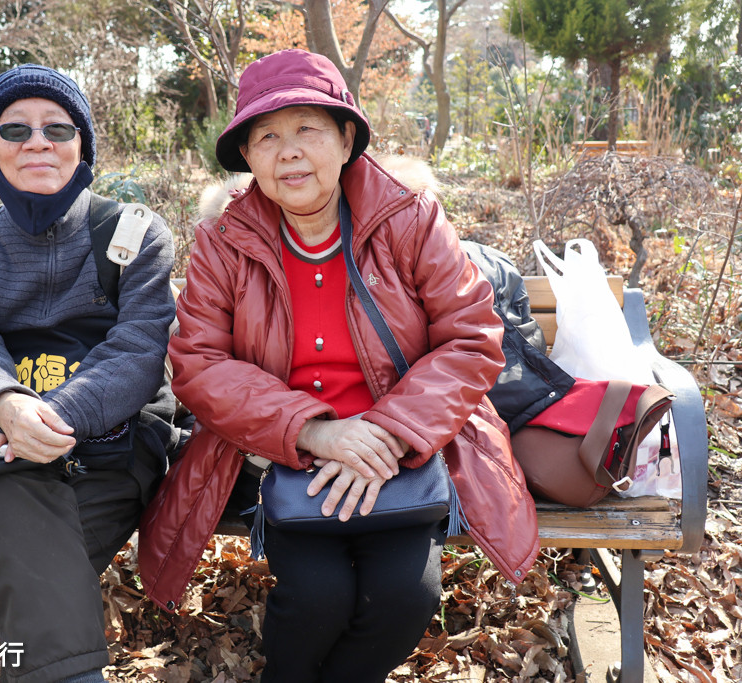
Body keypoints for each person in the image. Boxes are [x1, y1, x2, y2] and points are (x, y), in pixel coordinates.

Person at [137, 49, 536, 683]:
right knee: (315, 599)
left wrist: (385, 432)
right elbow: (198, 363)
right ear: (248, 156)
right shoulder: (224, 242)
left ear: (347, 138)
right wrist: (313, 431)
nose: (288, 152)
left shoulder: (409, 217)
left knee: (404, 597)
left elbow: (471, 337)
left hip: (401, 449)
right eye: (266, 136)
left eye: (308, 130)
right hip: (287, 454)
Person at [0, 64, 177, 683]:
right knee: (14, 509)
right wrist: (6, 406)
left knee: (17, 542)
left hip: (116, 446)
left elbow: (138, 352)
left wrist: (43, 419)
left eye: (57, 128)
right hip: (6, 444)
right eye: (14, 129)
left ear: (82, 145)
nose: (37, 142)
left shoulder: (136, 233)